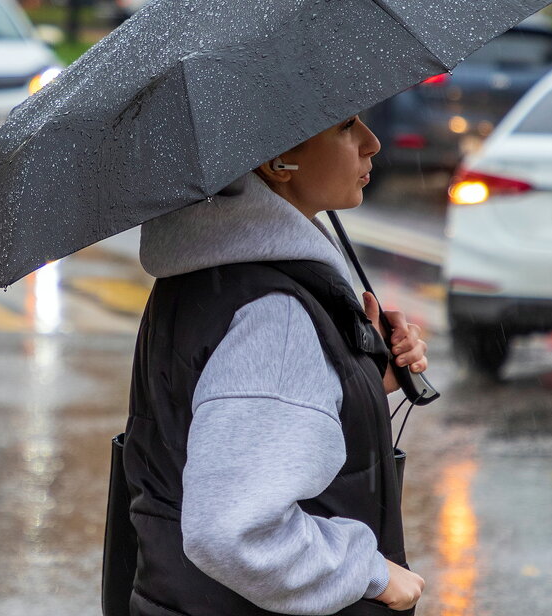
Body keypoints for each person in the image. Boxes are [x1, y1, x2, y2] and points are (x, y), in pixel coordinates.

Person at [123, 114, 429, 616]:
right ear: (277, 161)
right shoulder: (276, 313)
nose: (372, 143)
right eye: (346, 126)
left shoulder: (208, 270)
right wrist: (368, 572)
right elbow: (232, 533)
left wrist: (362, 382)